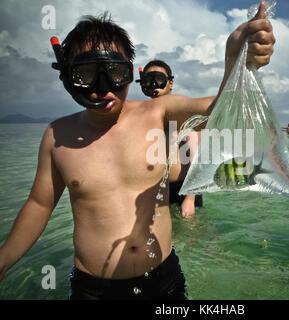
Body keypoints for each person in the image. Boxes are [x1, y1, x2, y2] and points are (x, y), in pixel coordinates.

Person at [0, 2, 275, 300]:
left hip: (162, 279)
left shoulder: (157, 112)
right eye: (87, 74)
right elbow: (39, 205)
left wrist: (235, 63)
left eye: (115, 73)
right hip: (94, 289)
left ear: (130, 72)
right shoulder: (58, 135)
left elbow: (223, 111)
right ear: (68, 77)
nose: (102, 88)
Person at [137, 59, 203, 218]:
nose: (154, 86)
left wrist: (190, 199)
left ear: (170, 83)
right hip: (156, 190)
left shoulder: (181, 114)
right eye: (148, 81)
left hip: (183, 191)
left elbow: (198, 160)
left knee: (190, 239)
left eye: (159, 80)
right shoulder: (143, 117)